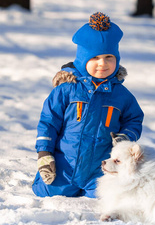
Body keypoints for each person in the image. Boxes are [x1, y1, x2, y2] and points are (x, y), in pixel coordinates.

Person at [32, 12, 144, 198]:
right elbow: (48, 122)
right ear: (83, 60)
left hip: (99, 169)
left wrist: (126, 137)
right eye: (95, 58)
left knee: (108, 196)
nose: (103, 64)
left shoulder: (121, 95)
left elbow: (134, 118)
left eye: (109, 57)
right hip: (65, 165)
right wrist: (44, 154)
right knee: (45, 191)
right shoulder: (66, 90)